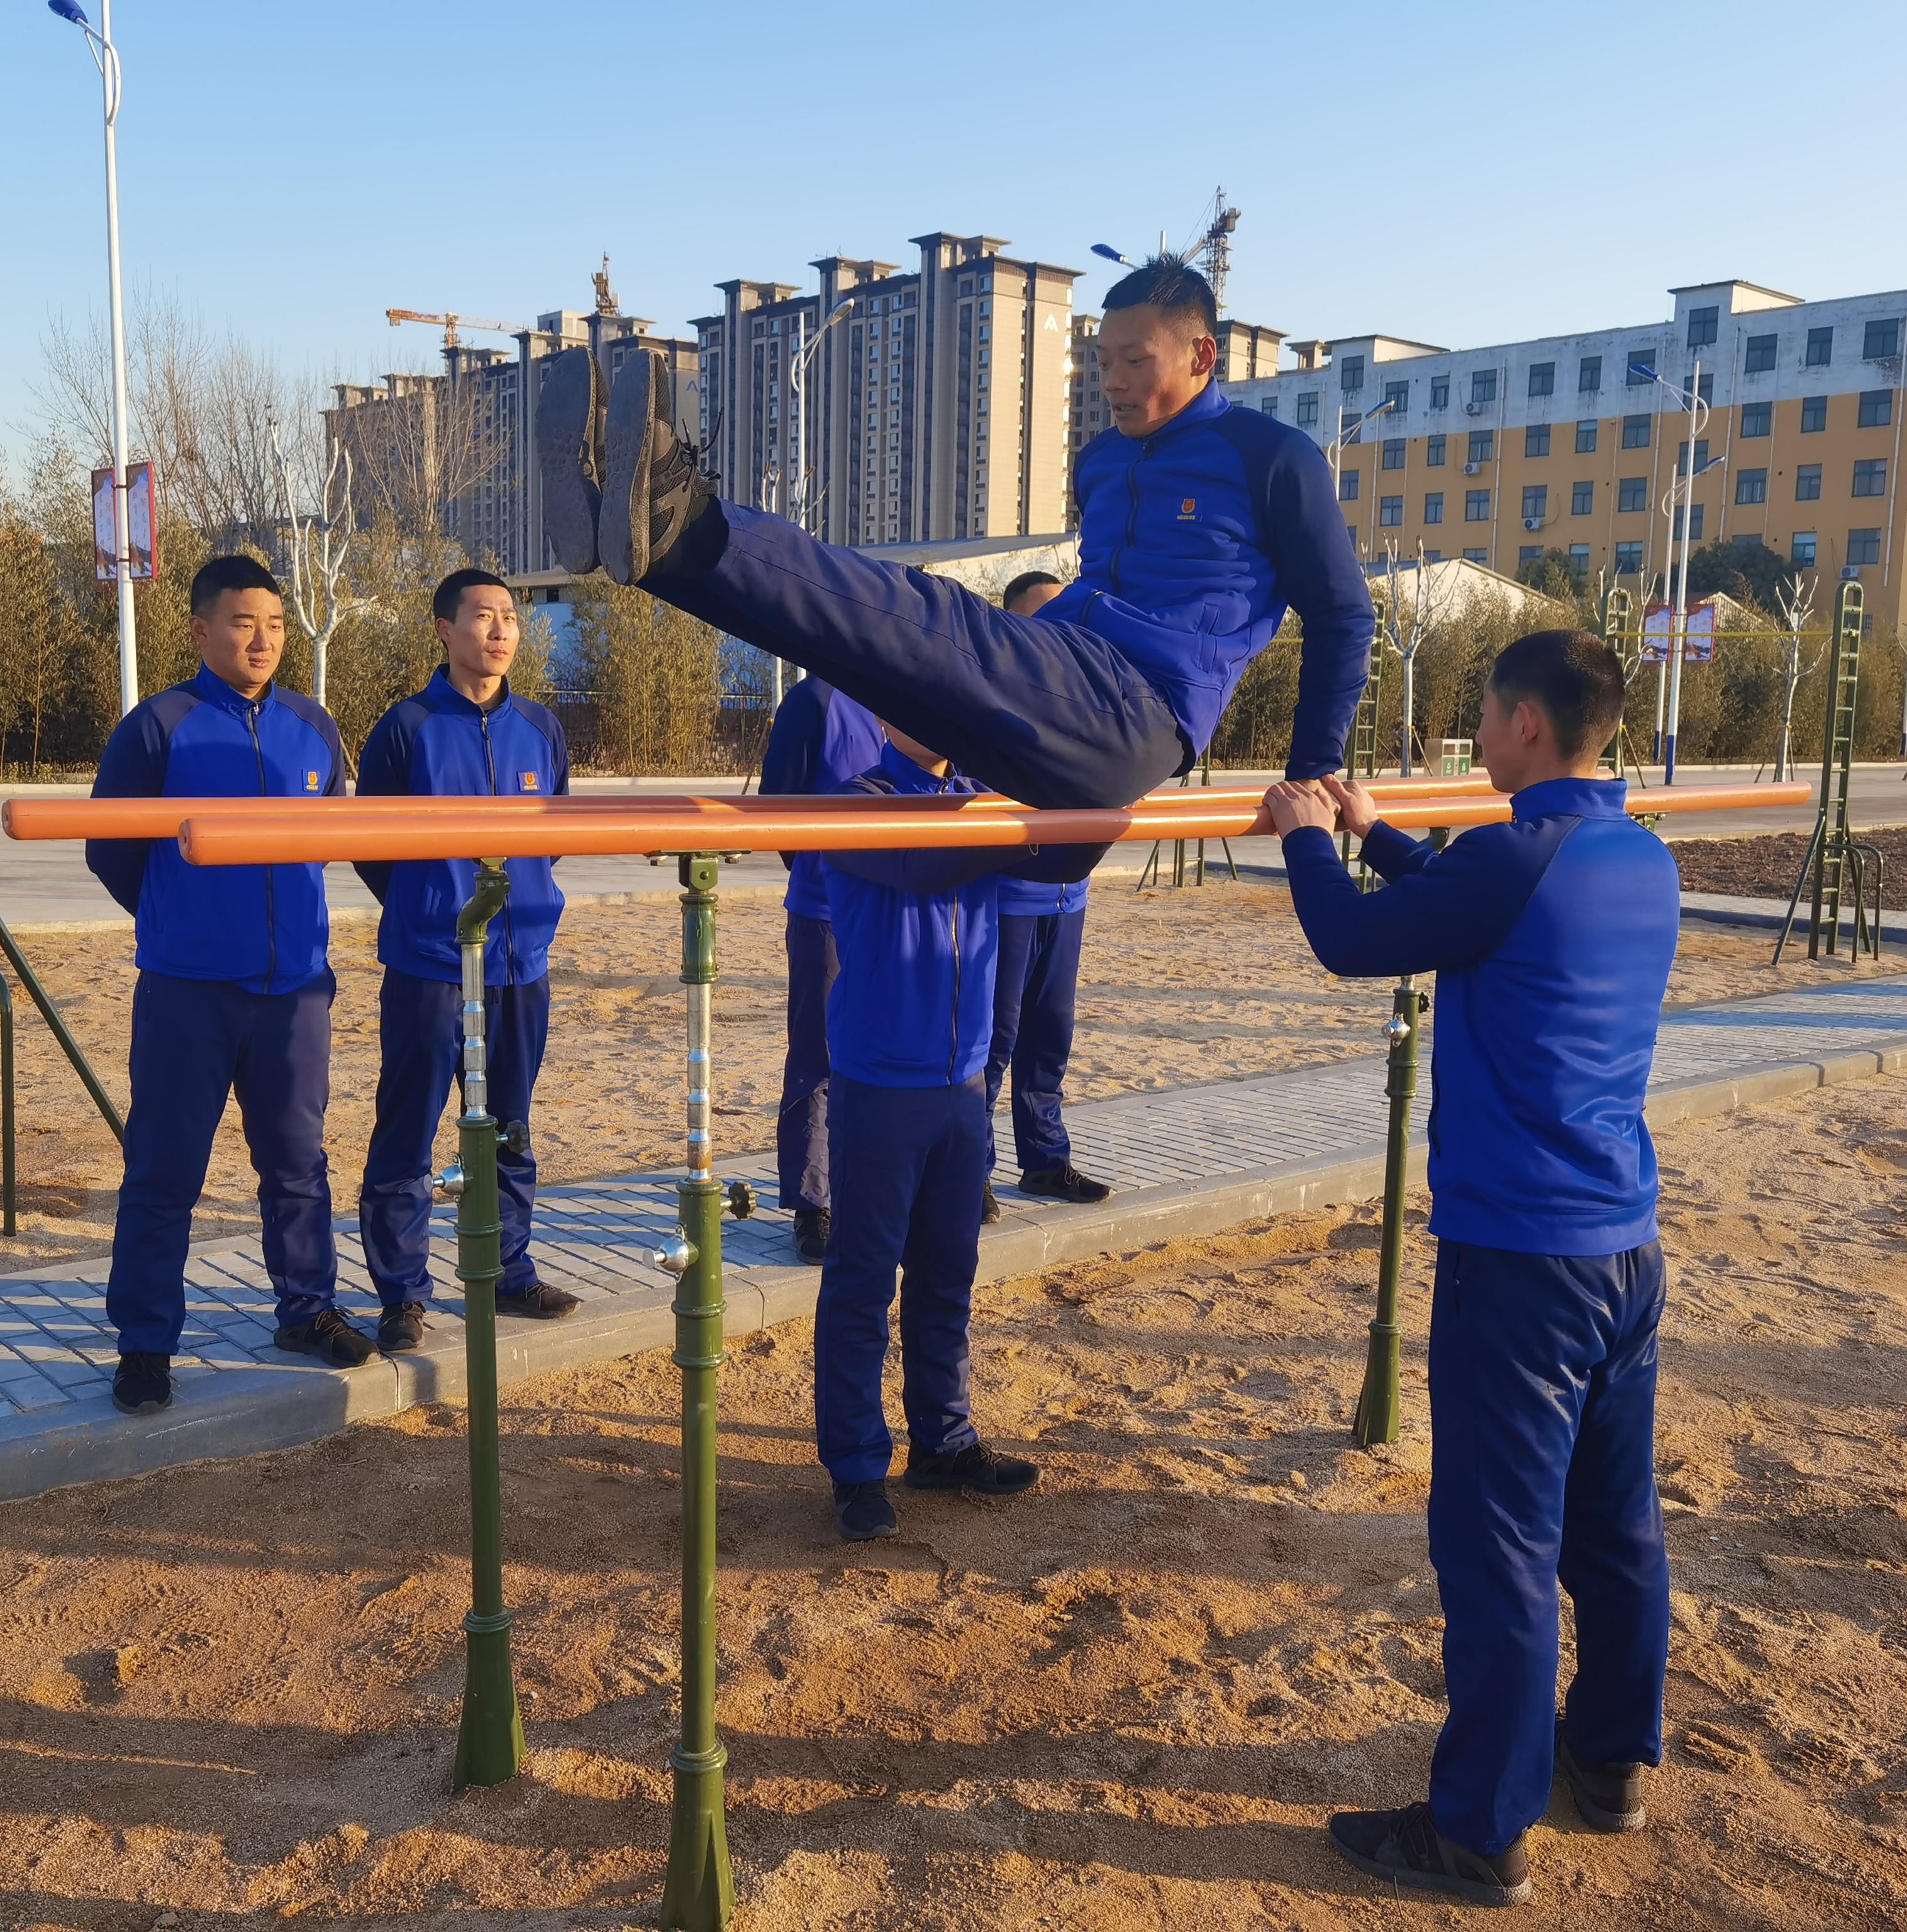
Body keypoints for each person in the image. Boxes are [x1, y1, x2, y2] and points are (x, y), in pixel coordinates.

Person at [1264, 631, 1679, 1909]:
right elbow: (1465, 900)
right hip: (1621, 1246)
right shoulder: (1634, 852)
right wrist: (1379, 829)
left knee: (1495, 1543)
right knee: (1611, 1527)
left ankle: (1477, 1829)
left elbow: (1351, 941)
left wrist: (1297, 833)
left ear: (1524, 731)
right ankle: (1605, 1764)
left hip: (1519, 1263)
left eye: (1487, 716)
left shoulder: (1516, 858)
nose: (1480, 731)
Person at [533, 255, 1375, 812]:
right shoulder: (1102, 461)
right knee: (855, 656)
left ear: (1202, 357)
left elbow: (1343, 617)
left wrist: (1312, 769)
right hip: (1063, 697)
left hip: (1139, 707)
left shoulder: (1272, 458)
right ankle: (657, 556)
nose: (1113, 382)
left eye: (1136, 362)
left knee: (927, 613)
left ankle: (685, 515)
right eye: (1102, 361)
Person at [813, 724, 1105, 1543]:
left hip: (963, 1082)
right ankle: (856, 1465)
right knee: (864, 1281)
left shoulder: (980, 801)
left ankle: (942, 1442)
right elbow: (922, 863)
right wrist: (1019, 815)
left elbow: (1065, 859)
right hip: (880, 1083)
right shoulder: (860, 803)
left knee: (947, 1272)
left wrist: (1117, 774)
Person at [85, 555, 359, 1414]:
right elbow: (110, 849)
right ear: (202, 630)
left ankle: (306, 1310)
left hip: (294, 993)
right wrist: (181, 919)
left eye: (274, 625)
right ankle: (145, 1344)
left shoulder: (314, 726)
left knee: (298, 1163)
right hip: (188, 993)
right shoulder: (159, 726)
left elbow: (334, 837)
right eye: (244, 623)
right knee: (165, 1172)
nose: (262, 640)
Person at [353, 568, 582, 1331]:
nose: (499, 631)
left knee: (511, 1127)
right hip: (429, 967)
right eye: (482, 617)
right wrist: (429, 909)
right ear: (444, 629)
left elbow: (553, 841)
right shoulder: (406, 727)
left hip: (521, 968)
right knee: (408, 1131)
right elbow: (373, 850)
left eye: (510, 618)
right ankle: (402, 1292)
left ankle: (509, 1270)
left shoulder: (542, 729)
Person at [982, 570, 1110, 1223]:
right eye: (1046, 620)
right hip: (1006, 897)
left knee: (1050, 1036)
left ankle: (1044, 1159)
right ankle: (970, 1169)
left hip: (1069, 898)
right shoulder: (989, 698)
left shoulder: (1086, 700)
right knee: (994, 1038)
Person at [757, 669, 887, 1262]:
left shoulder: (915, 694)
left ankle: (874, 1190)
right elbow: (780, 808)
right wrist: (820, 869)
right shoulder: (815, 700)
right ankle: (814, 1202)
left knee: (891, 1053)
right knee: (820, 1055)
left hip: (903, 908)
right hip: (828, 912)